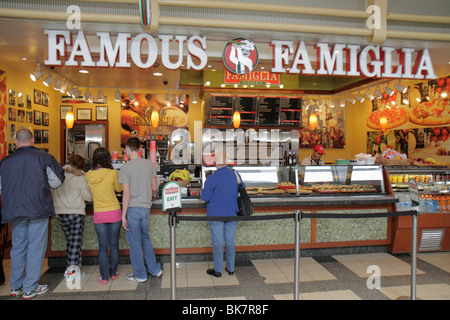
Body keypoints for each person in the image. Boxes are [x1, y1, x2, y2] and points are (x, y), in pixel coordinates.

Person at [0, 129, 65, 299]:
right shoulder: (44, 158)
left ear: (15, 141)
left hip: (15, 210)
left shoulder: (5, 162)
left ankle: (16, 286)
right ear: (33, 140)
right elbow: (57, 181)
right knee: (36, 247)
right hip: (38, 207)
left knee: (18, 246)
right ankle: (30, 287)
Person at [119, 137, 162, 282]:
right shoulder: (149, 164)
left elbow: (126, 194)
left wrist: (123, 215)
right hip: (146, 208)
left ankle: (140, 274)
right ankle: (155, 269)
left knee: (135, 242)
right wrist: (152, 195)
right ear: (140, 149)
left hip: (132, 209)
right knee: (145, 238)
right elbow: (154, 188)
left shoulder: (125, 168)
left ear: (127, 148)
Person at [200, 151, 242, 278]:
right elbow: (242, 189)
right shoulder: (235, 174)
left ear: (215, 163)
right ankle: (231, 268)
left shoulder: (212, 177)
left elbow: (205, 196)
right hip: (231, 213)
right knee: (230, 241)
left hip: (216, 214)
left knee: (217, 242)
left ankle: (217, 270)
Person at [85, 147, 123, 284]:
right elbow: (119, 189)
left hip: (99, 213)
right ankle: (113, 273)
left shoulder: (88, 175)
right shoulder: (112, 173)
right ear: (108, 158)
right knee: (113, 245)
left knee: (102, 247)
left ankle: (104, 276)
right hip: (114, 212)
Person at [51, 155, 92, 280]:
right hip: (76, 211)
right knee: (75, 242)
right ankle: (72, 272)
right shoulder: (80, 177)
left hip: (61, 212)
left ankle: (73, 268)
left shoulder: (58, 174)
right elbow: (88, 197)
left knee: (70, 241)